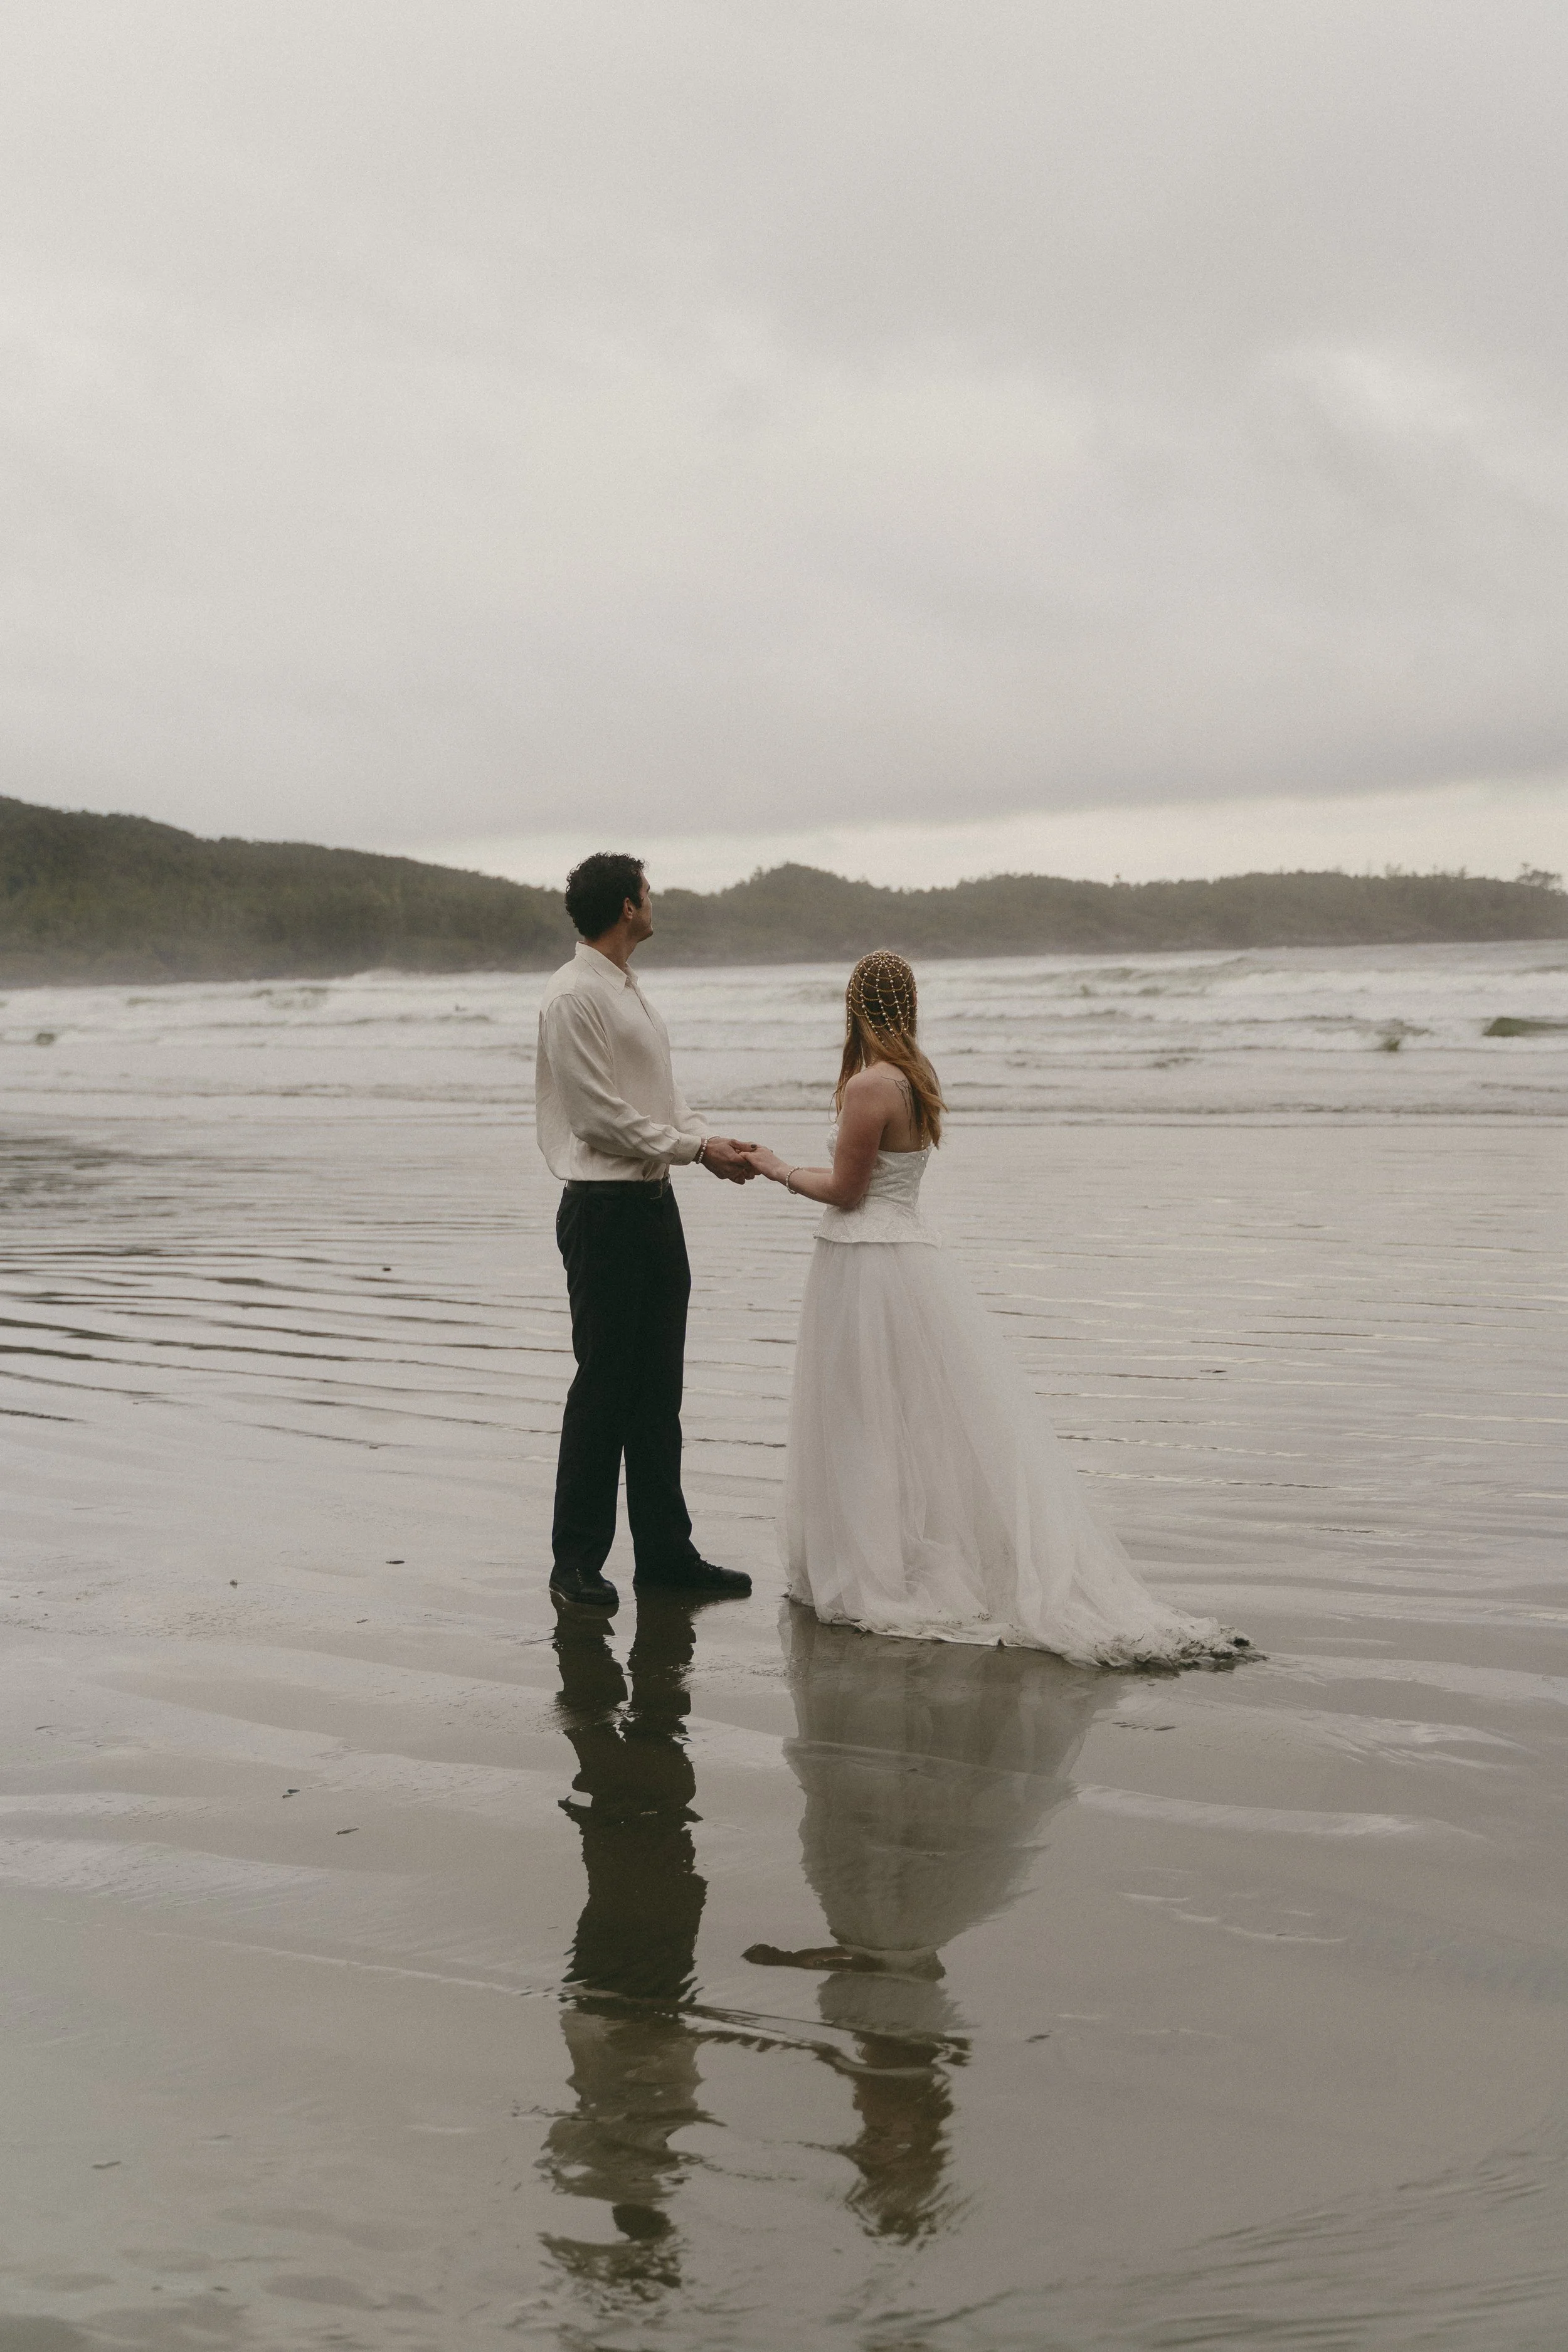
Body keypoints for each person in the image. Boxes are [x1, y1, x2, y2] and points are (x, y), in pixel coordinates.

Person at [741, 949, 1247, 1666]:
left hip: (863, 1266)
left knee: (864, 1417)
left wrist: (775, 1167)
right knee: (915, 1419)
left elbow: (848, 1192)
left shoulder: (866, 1086)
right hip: (909, 1258)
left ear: (853, 1005)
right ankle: (912, 1553)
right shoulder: (917, 1079)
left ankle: (879, 1567)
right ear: (907, 1004)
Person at [536, 852, 753, 1611]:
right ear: (627, 907)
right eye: (649, 892)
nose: (654, 902)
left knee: (658, 1390)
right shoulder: (573, 996)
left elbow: (662, 1101)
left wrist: (709, 1144)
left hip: (653, 1206)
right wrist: (694, 1149)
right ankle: (575, 1563)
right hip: (602, 1211)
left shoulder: (629, 992)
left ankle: (665, 1553)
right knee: (604, 1388)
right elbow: (597, 1117)